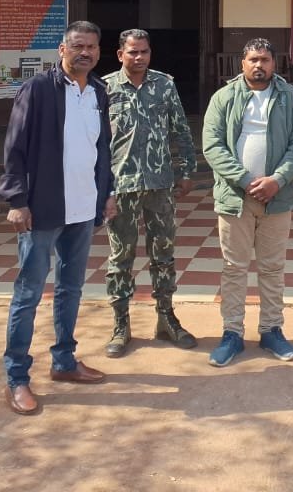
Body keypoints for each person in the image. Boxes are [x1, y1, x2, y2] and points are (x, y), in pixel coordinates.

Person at [0, 20, 115, 415]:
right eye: (78, 46)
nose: (86, 53)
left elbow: (102, 148)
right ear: (62, 50)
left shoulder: (98, 92)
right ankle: (16, 377)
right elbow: (14, 147)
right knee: (29, 292)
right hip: (43, 208)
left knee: (71, 288)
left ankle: (64, 361)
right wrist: (17, 199)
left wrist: (107, 192)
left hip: (83, 208)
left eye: (92, 47)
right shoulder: (38, 90)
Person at [202, 38, 293, 367]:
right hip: (236, 197)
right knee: (234, 268)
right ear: (243, 63)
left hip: (276, 198)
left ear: (274, 63)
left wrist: (277, 180)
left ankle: (271, 330)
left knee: (272, 268)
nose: (259, 65)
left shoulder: (289, 97)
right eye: (253, 60)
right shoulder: (224, 97)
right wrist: (245, 180)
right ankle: (232, 333)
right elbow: (212, 144)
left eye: (265, 59)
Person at [102, 28, 198, 357]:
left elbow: (181, 129)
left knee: (164, 255)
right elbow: (96, 141)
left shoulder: (164, 85)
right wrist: (100, 185)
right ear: (120, 55)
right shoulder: (105, 88)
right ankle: (121, 324)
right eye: (133, 52)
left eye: (144, 51)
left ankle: (166, 318)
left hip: (160, 184)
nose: (139, 57)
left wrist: (187, 170)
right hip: (121, 185)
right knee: (121, 258)